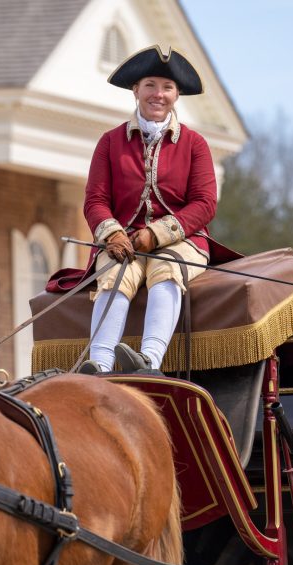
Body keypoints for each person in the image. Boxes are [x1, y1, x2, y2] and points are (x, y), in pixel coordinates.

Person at [76, 45, 231, 374]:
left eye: (167, 87)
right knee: (114, 275)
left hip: (182, 241)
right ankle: (100, 363)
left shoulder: (195, 144)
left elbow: (204, 204)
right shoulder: (109, 142)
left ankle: (149, 361)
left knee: (166, 271)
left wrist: (157, 234)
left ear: (176, 95)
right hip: (124, 241)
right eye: (150, 85)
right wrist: (112, 232)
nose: (158, 94)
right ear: (136, 90)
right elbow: (95, 200)